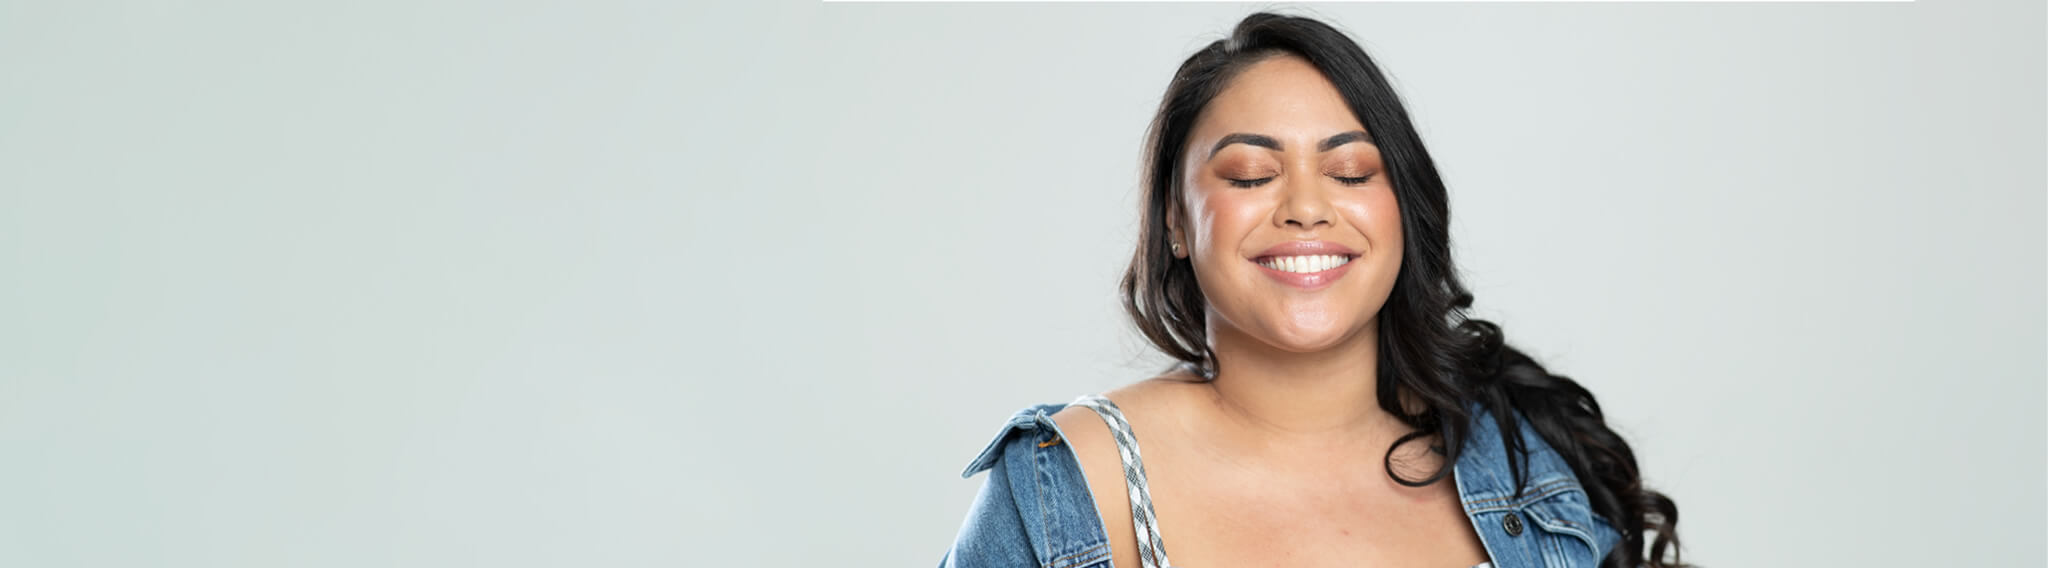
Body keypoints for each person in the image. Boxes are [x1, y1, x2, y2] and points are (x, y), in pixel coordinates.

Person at [938, 11, 1682, 568]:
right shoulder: (1069, 481)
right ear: (1175, 220)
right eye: (1250, 175)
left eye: (1351, 173)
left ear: (1403, 209)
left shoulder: (1524, 457)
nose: (1305, 207)